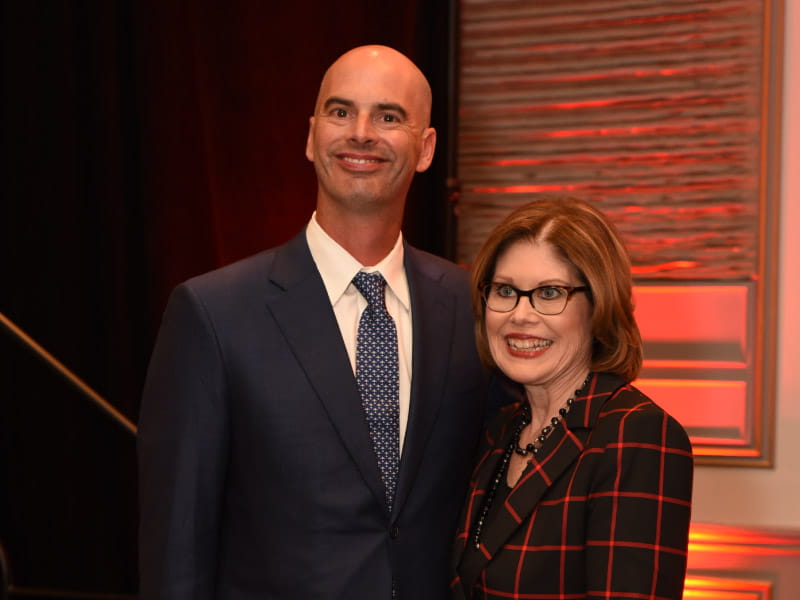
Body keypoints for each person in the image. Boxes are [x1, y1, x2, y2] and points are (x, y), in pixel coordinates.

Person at [137, 45, 487, 600]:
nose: (361, 133)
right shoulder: (213, 315)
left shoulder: (475, 308)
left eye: (388, 116)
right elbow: (178, 543)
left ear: (425, 149)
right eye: (340, 111)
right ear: (310, 135)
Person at [450, 197, 693, 600]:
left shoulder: (637, 434)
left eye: (549, 293)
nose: (521, 315)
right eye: (506, 290)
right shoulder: (501, 429)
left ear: (598, 305)